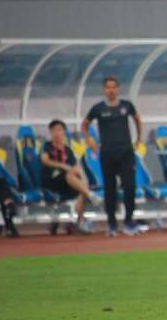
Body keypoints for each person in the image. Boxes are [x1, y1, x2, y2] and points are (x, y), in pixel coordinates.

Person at [81, 76, 143, 237]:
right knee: (110, 189)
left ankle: (129, 221)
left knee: (129, 186)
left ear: (117, 88)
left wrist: (139, 138)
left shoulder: (126, 106)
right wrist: (90, 142)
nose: (111, 90)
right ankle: (112, 223)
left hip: (126, 152)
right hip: (107, 153)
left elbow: (137, 118)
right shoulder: (98, 108)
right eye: (108, 87)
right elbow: (84, 124)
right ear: (104, 89)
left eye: (113, 87)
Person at [40, 119, 104, 234]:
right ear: (50, 132)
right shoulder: (47, 146)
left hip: (68, 182)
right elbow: (45, 161)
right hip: (51, 180)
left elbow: (76, 168)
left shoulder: (68, 150)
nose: (57, 133)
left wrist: (84, 180)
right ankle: (90, 196)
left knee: (81, 187)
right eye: (54, 130)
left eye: (59, 130)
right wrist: (64, 167)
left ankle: (80, 221)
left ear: (64, 132)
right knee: (71, 175)